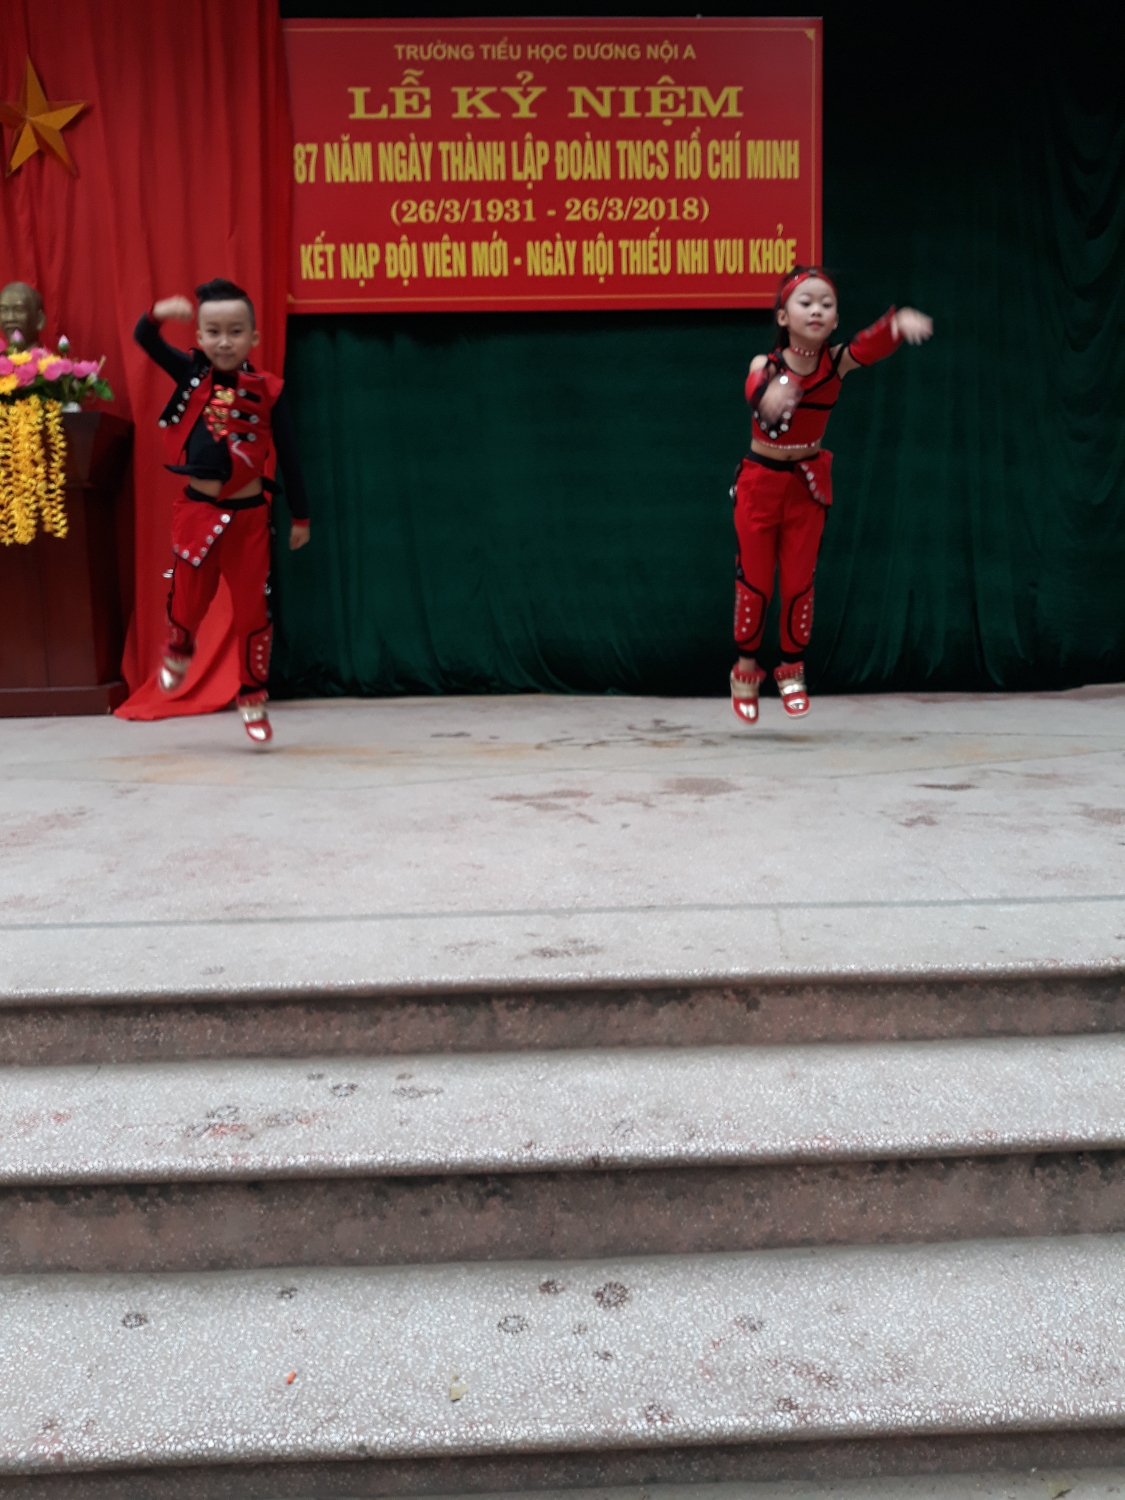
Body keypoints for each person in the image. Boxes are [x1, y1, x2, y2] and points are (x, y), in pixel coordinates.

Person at [730, 267, 933, 723]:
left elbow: (868, 346)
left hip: (806, 486)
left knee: (799, 583)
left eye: (826, 304)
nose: (817, 310)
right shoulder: (766, 364)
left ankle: (791, 669)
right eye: (805, 302)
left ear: (836, 319)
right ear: (783, 316)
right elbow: (756, 387)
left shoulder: (836, 362)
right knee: (756, 582)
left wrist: (896, 325)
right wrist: (766, 395)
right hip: (760, 483)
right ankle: (745, 669)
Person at [134, 278, 310, 744]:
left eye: (235, 332)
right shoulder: (190, 374)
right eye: (213, 332)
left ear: (253, 336)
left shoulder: (269, 390)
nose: (224, 342)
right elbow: (144, 338)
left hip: (249, 520)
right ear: (199, 337)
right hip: (197, 513)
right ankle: (179, 647)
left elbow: (289, 455)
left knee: (254, 613)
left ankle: (252, 697)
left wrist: (301, 516)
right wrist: (159, 313)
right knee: (188, 602)